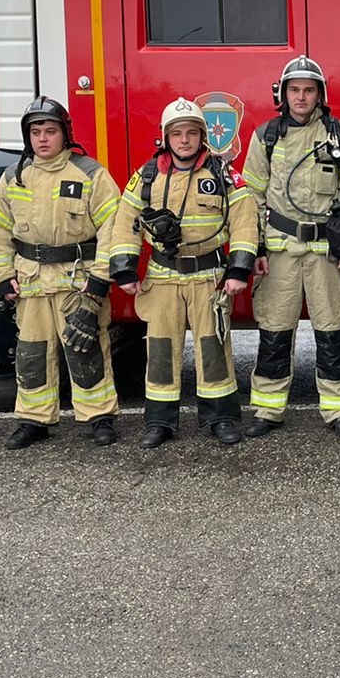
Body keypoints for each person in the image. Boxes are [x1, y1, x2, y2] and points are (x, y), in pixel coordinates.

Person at [106, 96, 259, 448]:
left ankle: (221, 418)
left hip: (209, 277)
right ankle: (159, 423)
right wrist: (125, 269)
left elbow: (245, 221)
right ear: (166, 137)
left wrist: (239, 269)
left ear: (203, 136)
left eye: (192, 133)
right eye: (177, 134)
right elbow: (125, 223)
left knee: (214, 351)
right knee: (160, 352)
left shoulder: (223, 174)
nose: (185, 140)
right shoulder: (145, 177)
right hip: (162, 278)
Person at [0, 97, 124, 449]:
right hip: (31, 282)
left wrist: (99, 281)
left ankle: (99, 417)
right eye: (36, 132)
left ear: (65, 134)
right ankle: (34, 420)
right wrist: (2, 276)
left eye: (50, 131)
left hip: (78, 282)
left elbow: (115, 228)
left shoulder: (90, 173)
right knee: (32, 354)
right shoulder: (13, 177)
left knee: (87, 349)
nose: (43, 139)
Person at [242, 56, 340, 439]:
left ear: (320, 95)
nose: (301, 96)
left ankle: (339, 409)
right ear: (283, 94)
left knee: (332, 331)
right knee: (274, 333)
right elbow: (251, 197)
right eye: (294, 89)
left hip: (326, 253)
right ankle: (267, 409)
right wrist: (256, 250)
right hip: (279, 253)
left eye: (308, 90)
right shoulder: (266, 136)